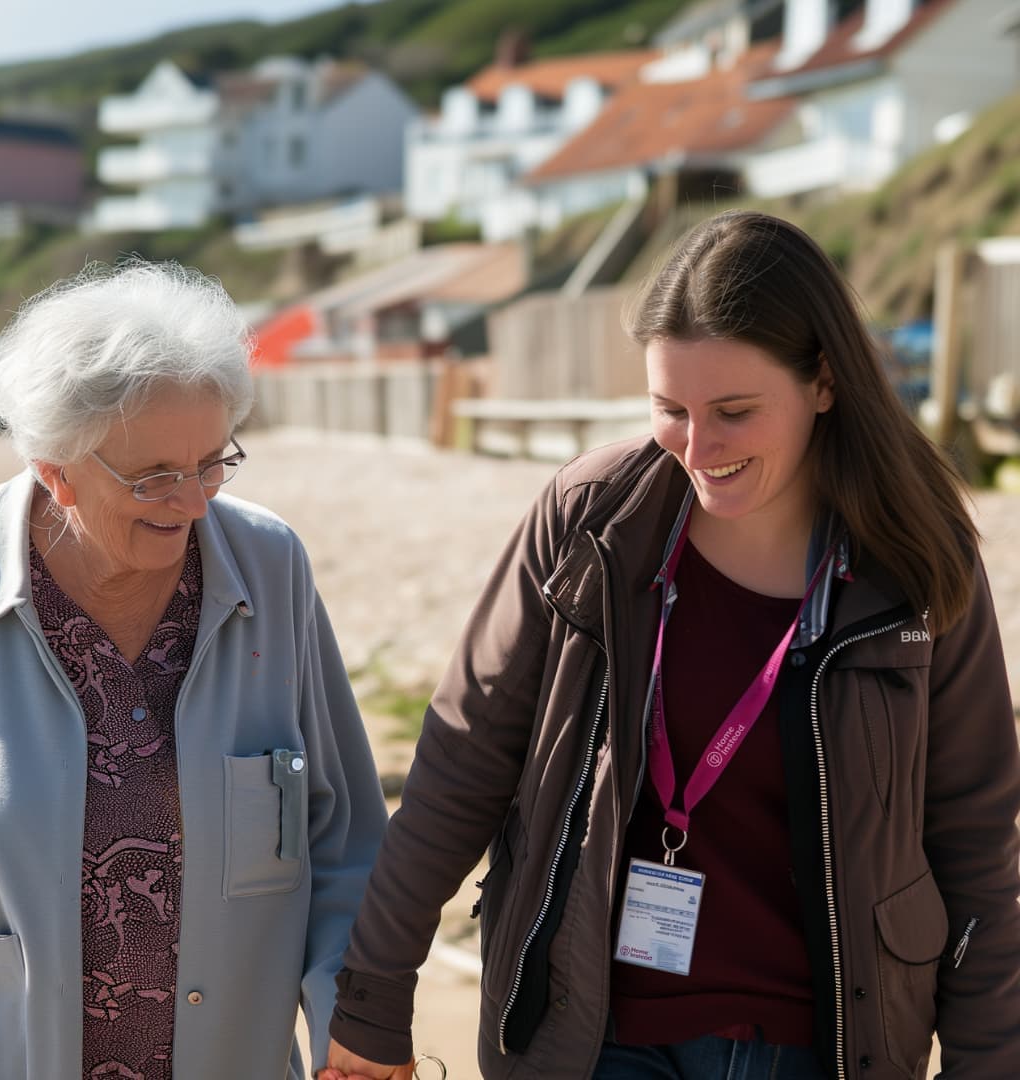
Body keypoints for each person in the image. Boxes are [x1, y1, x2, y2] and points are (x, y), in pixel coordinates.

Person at [322, 210, 1020, 1080]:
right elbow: (463, 762)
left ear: (826, 382)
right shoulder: (590, 519)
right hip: (591, 1037)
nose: (697, 447)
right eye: (669, 409)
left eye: (733, 411)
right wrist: (373, 996)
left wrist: (987, 1061)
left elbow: (977, 842)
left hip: (827, 1049)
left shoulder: (918, 557)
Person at [0, 260, 387, 1078]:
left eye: (212, 462)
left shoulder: (269, 564)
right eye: (154, 476)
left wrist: (352, 1028)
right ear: (56, 468)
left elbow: (341, 835)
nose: (192, 502)